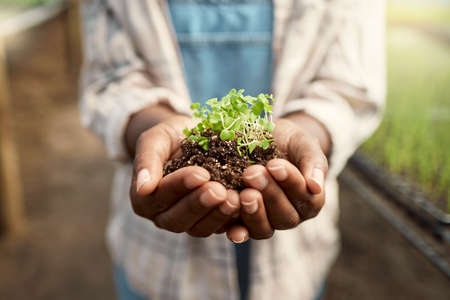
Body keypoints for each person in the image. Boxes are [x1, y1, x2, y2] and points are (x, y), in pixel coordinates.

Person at [80, 1, 385, 299]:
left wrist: (311, 132)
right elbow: (110, 80)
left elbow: (350, 88)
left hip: (293, 265)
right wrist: (150, 127)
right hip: (156, 264)